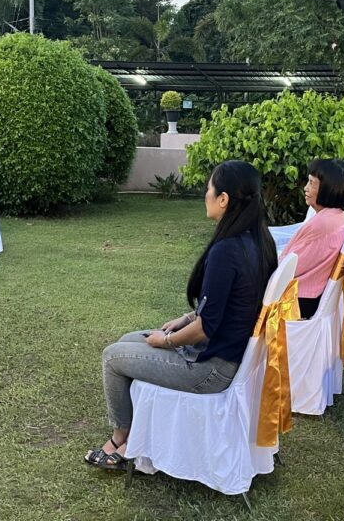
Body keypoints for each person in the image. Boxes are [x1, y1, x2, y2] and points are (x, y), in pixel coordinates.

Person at [85, 160, 278, 471]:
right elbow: (229, 306)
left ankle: (123, 438)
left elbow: (205, 329)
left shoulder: (227, 251)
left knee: (112, 357)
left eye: (208, 188)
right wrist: (187, 318)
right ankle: (134, 431)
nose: (205, 194)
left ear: (224, 199)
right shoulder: (260, 242)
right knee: (128, 340)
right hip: (228, 356)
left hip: (210, 368)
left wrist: (167, 341)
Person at [280, 159, 344, 318]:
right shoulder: (339, 216)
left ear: (328, 189)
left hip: (298, 297)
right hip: (314, 294)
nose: (305, 188)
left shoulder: (323, 223)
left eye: (312, 183)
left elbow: (289, 267)